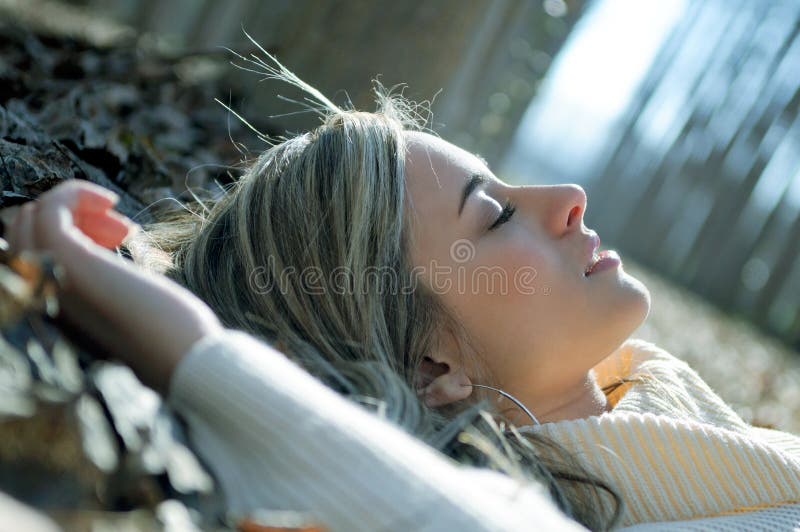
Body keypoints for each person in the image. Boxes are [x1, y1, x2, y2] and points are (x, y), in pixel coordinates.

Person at [6, 51, 800, 530]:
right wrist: (192, 348)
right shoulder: (552, 508)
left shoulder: (672, 419)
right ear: (431, 368)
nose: (567, 196)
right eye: (494, 216)